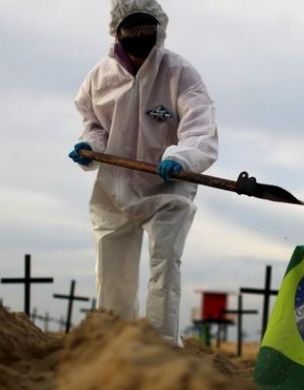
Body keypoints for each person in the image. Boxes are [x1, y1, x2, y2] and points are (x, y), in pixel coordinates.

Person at [69, 0, 218, 345]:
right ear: (117, 31)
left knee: (165, 263)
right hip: (114, 186)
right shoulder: (99, 78)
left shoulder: (180, 73)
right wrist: (90, 146)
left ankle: (160, 345)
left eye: (146, 28)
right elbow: (94, 124)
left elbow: (200, 130)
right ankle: (114, 342)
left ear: (159, 29)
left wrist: (181, 157)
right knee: (112, 268)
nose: (139, 35)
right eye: (132, 29)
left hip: (169, 185)